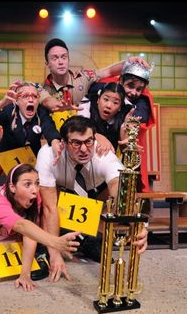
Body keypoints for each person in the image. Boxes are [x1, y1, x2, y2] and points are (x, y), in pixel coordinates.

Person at [35, 116, 148, 282]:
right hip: (61, 193)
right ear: (63, 143)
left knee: (110, 204)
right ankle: (43, 250)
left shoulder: (103, 154)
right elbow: (49, 207)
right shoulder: (48, 155)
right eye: (76, 143)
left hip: (96, 194)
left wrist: (138, 224)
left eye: (88, 142)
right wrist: (54, 252)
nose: (83, 149)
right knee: (40, 204)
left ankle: (90, 241)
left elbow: (120, 188)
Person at [0, 163, 80, 291]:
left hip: (0, 239)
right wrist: (55, 242)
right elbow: (21, 225)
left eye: (37, 183)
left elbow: (30, 234)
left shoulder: (35, 198)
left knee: (32, 247)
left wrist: (25, 275)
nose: (35, 190)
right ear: (12, 187)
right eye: (27, 184)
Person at [0, 80, 62, 193]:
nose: (31, 99)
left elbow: (50, 130)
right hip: (5, 152)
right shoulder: (9, 110)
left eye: (35, 96)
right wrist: (3, 102)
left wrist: (56, 144)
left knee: (34, 190)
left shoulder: (41, 113)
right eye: (25, 96)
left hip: (30, 156)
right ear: (16, 101)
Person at [87, 59, 156, 192]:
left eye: (139, 89)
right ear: (120, 81)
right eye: (130, 86)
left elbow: (141, 115)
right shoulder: (100, 90)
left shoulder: (141, 103)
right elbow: (89, 85)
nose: (134, 92)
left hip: (118, 155)